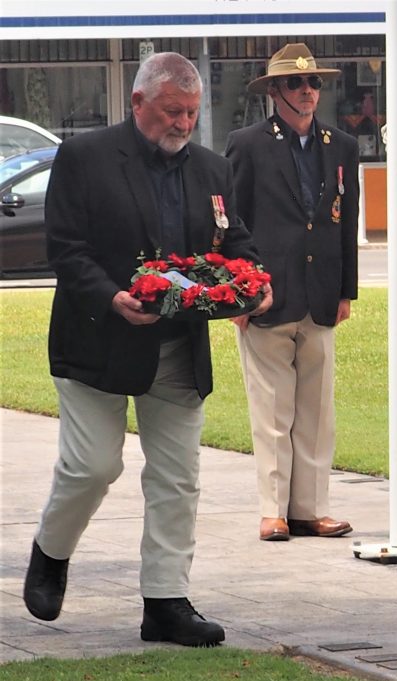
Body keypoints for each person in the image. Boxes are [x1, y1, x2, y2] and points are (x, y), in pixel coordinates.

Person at [24, 52, 272, 646]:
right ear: (138, 103)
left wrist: (253, 284)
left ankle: (165, 601)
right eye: (171, 112)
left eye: (190, 112)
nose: (182, 124)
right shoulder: (84, 157)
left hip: (178, 347)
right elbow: (64, 249)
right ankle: (50, 552)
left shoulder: (213, 169)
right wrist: (113, 298)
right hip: (97, 341)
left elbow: (232, 240)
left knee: (177, 477)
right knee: (93, 466)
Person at [225, 43, 359, 543]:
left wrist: (347, 290)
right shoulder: (248, 143)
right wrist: (238, 292)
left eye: (314, 83)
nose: (307, 91)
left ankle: (311, 508)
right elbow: (231, 223)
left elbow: (346, 223)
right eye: (296, 83)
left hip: (321, 293)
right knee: (272, 410)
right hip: (265, 296)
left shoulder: (341, 145)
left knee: (318, 412)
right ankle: (272, 508)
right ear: (275, 91)